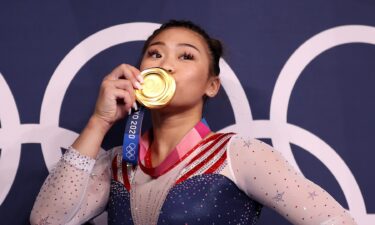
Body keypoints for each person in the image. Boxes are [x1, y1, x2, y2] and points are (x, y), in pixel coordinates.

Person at [30, 20, 357, 225]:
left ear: (210, 85)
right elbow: (47, 221)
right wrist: (99, 121)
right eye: (155, 54)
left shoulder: (238, 156)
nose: (166, 65)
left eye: (185, 56)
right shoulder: (117, 162)